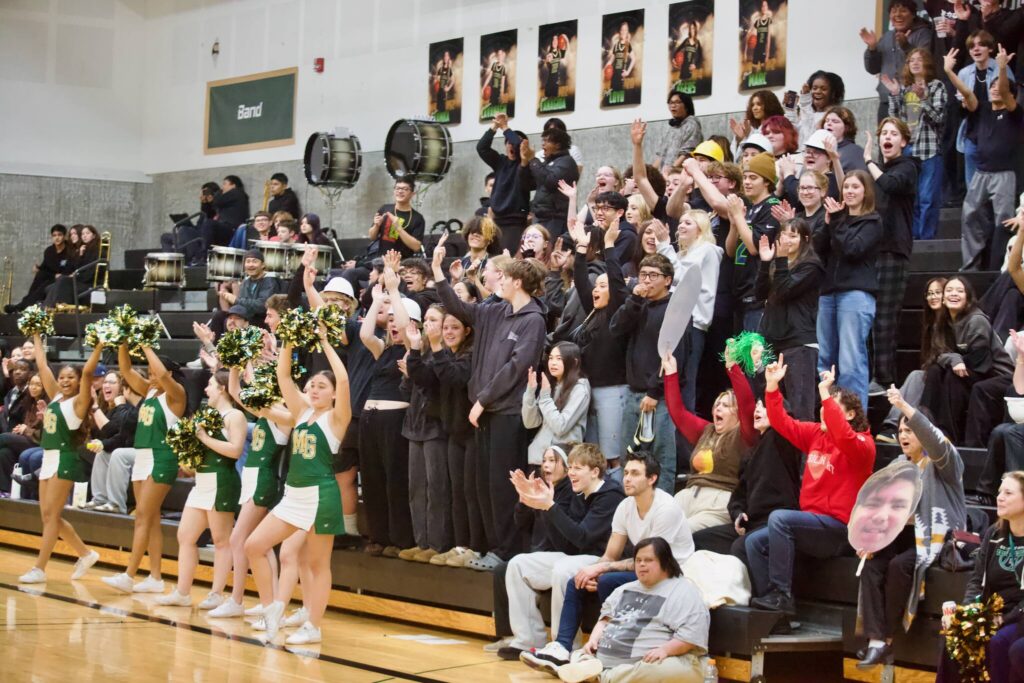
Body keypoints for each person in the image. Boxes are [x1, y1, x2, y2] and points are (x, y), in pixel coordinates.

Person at [521, 451, 694, 670]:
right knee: (577, 580)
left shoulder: (665, 509)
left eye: (635, 474)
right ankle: (562, 648)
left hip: (669, 572)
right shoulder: (625, 506)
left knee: (605, 581)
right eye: (626, 472)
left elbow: (652, 562)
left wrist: (602, 570)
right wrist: (593, 571)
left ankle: (608, 647)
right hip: (643, 568)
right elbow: (610, 555)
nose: (627, 478)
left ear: (652, 479)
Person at [434, 241, 547, 572]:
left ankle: (508, 551)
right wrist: (439, 274)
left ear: (517, 282)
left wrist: (482, 399)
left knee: (503, 486)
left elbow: (516, 368)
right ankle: (490, 547)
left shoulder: (533, 320)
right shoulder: (494, 310)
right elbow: (457, 306)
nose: (498, 280)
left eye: (505, 277)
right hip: (483, 413)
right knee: (481, 486)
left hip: (507, 414)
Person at [243, 324, 350, 645]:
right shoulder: (301, 412)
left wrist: (325, 343)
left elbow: (343, 379)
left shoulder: (336, 418)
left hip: (320, 496)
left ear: (332, 394)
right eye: (312, 385)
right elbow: (284, 377)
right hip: (292, 496)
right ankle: (271, 607)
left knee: (317, 564)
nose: (314, 390)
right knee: (254, 546)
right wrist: (288, 340)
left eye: (321, 386)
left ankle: (313, 626)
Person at [747, 360, 874, 619]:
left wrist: (825, 392)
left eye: (832, 409)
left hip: (839, 530)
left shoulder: (862, 445)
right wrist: (772, 387)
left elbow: (844, 436)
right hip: (812, 525)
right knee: (754, 542)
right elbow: (782, 423)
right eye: (822, 408)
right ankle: (776, 615)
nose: (823, 412)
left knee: (779, 519)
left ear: (849, 414)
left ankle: (782, 596)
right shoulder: (817, 434)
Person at [856, 387, 966, 669]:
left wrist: (905, 407)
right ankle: (876, 641)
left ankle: (888, 637)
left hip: (936, 538)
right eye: (901, 431)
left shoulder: (945, 461)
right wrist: (868, 538)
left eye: (910, 430)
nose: (903, 435)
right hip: (902, 536)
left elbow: (936, 440)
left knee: (899, 566)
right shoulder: (897, 464)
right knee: (870, 564)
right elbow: (879, 508)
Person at [499, 443, 625, 660]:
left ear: (595, 472)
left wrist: (550, 506)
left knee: (562, 568)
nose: (571, 473)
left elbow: (584, 538)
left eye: (577, 468)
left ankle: (563, 645)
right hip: (577, 556)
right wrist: (541, 505)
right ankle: (528, 639)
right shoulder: (579, 494)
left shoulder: (610, 496)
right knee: (518, 564)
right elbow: (565, 544)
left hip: (602, 559)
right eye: (571, 467)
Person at [535, 537, 711, 683]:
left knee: (664, 670)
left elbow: (690, 636)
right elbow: (605, 620)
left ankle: (598, 675)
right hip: (607, 660)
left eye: (648, 560)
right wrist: (593, 640)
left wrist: (664, 650)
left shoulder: (684, 592)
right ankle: (590, 668)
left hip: (648, 663)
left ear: (665, 563)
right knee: (582, 653)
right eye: (638, 561)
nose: (641, 565)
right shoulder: (624, 589)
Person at [154, 371, 245, 609]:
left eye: (211, 385)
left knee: (221, 540)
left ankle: (216, 593)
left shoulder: (234, 416)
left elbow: (235, 450)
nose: (206, 390)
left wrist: (203, 437)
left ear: (223, 388)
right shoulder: (208, 415)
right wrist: (190, 461)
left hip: (222, 481)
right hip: (202, 482)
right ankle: (183, 592)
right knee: (185, 536)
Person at [17, 336, 102, 584]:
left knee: (52, 517)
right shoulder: (56, 397)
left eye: (70, 378)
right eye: (62, 377)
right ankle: (86, 554)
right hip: (49, 456)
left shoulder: (79, 401)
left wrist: (98, 346)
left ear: (78, 383)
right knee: (47, 516)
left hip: (65, 459)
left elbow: (87, 373)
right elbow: (42, 366)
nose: (64, 381)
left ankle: (39, 568)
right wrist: (36, 335)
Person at [209, 367, 292, 618]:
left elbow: (254, 398)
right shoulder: (265, 413)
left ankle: (237, 599)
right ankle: (272, 601)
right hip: (250, 479)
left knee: (238, 539)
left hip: (263, 481)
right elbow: (235, 391)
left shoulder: (283, 416)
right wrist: (235, 367)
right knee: (262, 546)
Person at [102, 346, 185, 593]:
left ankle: (129, 575)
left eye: (155, 373)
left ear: (167, 373)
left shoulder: (176, 395)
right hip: (142, 457)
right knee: (151, 519)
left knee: (141, 516)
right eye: (148, 373)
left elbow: (163, 374)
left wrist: (147, 345)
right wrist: (123, 342)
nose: (151, 377)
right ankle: (156, 578)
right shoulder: (149, 391)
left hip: (162, 458)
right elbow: (125, 369)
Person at [935, 471, 1024, 683]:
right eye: (1000, 491)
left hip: (1019, 615)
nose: (999, 497)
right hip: (992, 611)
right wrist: (964, 612)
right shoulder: (994, 534)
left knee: (999, 642)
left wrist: (1004, 618)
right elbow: (976, 580)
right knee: (953, 633)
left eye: (1008, 493)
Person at [691, 397, 802, 563]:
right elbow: (738, 496)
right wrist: (738, 514)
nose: (757, 409)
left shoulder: (785, 440)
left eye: (763, 407)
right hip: (750, 523)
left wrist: (772, 388)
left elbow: (785, 421)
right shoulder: (749, 454)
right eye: (757, 405)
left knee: (741, 547)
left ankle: (759, 590)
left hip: (774, 521)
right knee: (699, 539)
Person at [663, 350, 755, 532]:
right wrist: (671, 374)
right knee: (654, 528)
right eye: (716, 405)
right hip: (688, 495)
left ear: (737, 414)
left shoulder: (745, 435)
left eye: (726, 405)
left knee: (680, 533)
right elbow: (678, 412)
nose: (718, 408)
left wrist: (732, 367)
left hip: (718, 502)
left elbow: (746, 403)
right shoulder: (707, 430)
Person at [358, 277, 417, 557]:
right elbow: (365, 335)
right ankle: (378, 536)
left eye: (397, 319)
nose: (393, 324)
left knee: (395, 480)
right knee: (372, 480)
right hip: (370, 421)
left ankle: (400, 539)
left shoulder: (412, 349)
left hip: (394, 422)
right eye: (389, 319)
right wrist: (376, 298)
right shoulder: (383, 348)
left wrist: (394, 292)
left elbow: (406, 328)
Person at [565, 222, 630, 476]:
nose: (597, 289)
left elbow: (616, 280)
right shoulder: (593, 312)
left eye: (603, 286)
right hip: (589, 389)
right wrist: (581, 247)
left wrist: (610, 247)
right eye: (597, 286)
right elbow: (580, 278)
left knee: (612, 456)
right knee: (590, 454)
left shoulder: (617, 313)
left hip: (612, 390)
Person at [609, 254, 677, 493]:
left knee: (661, 459)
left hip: (659, 396)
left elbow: (675, 354)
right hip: (632, 391)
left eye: (653, 276)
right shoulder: (638, 303)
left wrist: (654, 390)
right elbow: (615, 329)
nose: (646, 280)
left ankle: (663, 515)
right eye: (643, 274)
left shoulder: (675, 308)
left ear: (667, 280)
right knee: (629, 457)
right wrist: (634, 299)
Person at [814, 171, 882, 410]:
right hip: (828, 293)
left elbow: (853, 249)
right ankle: (830, 414)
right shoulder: (837, 219)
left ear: (866, 192)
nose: (850, 191)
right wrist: (828, 222)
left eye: (855, 187)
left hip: (856, 294)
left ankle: (854, 420)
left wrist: (839, 221)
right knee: (825, 360)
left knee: (851, 360)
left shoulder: (872, 222)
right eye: (846, 187)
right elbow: (818, 248)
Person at [922, 276, 1014, 446]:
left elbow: (981, 361)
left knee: (954, 376)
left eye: (959, 290)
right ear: (943, 297)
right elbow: (936, 355)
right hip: (974, 371)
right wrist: (954, 358)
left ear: (968, 297)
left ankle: (952, 437)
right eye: (949, 290)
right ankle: (926, 427)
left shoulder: (976, 320)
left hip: (1000, 376)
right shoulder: (943, 322)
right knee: (935, 370)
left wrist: (953, 360)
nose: (953, 294)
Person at [398, 301, 453, 564]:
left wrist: (415, 359)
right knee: (415, 487)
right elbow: (406, 390)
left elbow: (431, 383)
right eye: (427, 320)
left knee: (436, 487)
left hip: (436, 427)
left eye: (434, 321)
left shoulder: (446, 354)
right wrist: (408, 374)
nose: (428, 325)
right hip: (414, 424)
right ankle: (421, 542)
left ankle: (437, 543)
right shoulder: (419, 353)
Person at [958, 45, 1021, 272]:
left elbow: (1004, 92)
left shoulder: (1016, 113)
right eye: (991, 86)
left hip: (1004, 174)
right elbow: (966, 94)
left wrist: (1002, 68)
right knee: (970, 215)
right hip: (981, 173)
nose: (995, 89)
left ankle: (999, 268)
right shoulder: (984, 110)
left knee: (1003, 221)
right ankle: (971, 267)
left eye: (999, 87)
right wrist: (948, 72)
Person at [755, 218, 824, 420]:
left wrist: (780, 260)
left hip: (798, 343)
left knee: (800, 410)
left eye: (792, 236)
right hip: (772, 341)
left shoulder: (812, 266)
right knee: (775, 407)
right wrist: (766, 261)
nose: (786, 240)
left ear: (805, 239)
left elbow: (784, 290)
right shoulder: (779, 263)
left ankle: (803, 452)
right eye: (783, 235)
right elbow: (760, 294)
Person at [876, 277, 952, 443]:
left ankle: (893, 425)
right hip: (935, 375)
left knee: (917, 376)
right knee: (917, 376)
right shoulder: (931, 324)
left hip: (951, 377)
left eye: (938, 292)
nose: (933, 297)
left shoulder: (953, 321)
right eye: (930, 293)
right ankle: (893, 426)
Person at [883, 47, 946, 241]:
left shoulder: (936, 86)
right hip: (908, 150)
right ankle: (912, 237)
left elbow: (939, 117)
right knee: (913, 198)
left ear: (927, 63)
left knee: (927, 198)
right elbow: (894, 121)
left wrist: (924, 99)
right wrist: (894, 95)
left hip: (928, 149)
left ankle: (925, 239)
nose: (915, 63)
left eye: (919, 59)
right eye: (911, 60)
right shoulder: (905, 89)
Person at [725, 151, 781, 333]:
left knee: (755, 358)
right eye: (745, 177)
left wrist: (739, 218)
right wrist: (734, 224)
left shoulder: (772, 206)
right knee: (739, 359)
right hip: (740, 293)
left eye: (753, 178)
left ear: (766, 181)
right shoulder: (749, 208)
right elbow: (731, 251)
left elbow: (755, 247)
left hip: (757, 295)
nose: (747, 182)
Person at [860, 0, 937, 121]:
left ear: (913, 15)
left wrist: (906, 46)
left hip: (913, 100)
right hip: (887, 101)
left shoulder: (923, 34)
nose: (898, 14)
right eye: (894, 11)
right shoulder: (887, 36)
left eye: (903, 10)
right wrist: (872, 48)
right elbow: (872, 69)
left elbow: (926, 63)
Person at [523, 342, 591, 470]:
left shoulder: (580, 388)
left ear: (574, 362)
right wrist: (530, 393)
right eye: (551, 358)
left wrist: (544, 397)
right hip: (538, 458)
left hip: (563, 462)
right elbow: (530, 423)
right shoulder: (551, 385)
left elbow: (561, 426)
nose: (553, 363)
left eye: (559, 359)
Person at [83, 373, 140, 512]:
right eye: (105, 382)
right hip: (121, 448)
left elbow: (115, 432)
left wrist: (95, 407)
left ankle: (116, 505)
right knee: (101, 453)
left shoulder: (130, 408)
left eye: (112, 382)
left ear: (123, 388)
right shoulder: (109, 407)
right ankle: (99, 499)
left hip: (137, 450)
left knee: (116, 454)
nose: (106, 385)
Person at [477, 113, 531, 253]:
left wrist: (505, 127)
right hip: (496, 220)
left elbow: (519, 144)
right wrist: (495, 126)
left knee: (508, 258)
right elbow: (481, 147)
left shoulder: (526, 164)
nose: (512, 146)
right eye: (508, 143)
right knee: (493, 258)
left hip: (515, 221)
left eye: (515, 144)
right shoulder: (500, 161)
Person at [521, 127, 580, 237]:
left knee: (548, 252)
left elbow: (550, 181)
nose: (543, 145)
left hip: (555, 219)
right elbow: (528, 185)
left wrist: (533, 160)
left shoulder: (567, 162)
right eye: (543, 141)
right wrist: (524, 164)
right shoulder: (548, 163)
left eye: (547, 141)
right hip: (541, 217)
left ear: (557, 145)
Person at [6, 224, 73, 314]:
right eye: (54, 235)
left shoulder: (69, 251)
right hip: (50, 276)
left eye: (59, 235)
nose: (57, 238)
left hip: (61, 279)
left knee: (42, 285)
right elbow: (45, 266)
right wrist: (38, 268)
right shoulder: (49, 251)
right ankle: (23, 305)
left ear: (64, 236)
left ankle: (22, 306)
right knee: (39, 277)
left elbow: (70, 269)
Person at [211, 249, 280, 334]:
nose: (251, 265)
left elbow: (262, 305)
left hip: (262, 319)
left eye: (254, 262)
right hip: (246, 317)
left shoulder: (270, 280)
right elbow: (241, 307)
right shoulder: (246, 281)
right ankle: (213, 346)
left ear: (263, 265)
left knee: (236, 321)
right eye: (248, 262)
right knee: (220, 316)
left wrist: (236, 300)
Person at [0, 371, 47, 496]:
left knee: (3, 438)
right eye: (31, 384)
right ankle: (6, 491)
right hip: (28, 439)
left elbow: (44, 433)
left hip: (40, 441)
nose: (33, 387)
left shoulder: (47, 404)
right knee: (5, 452)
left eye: (38, 384)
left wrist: (26, 430)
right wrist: (20, 429)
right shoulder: (29, 402)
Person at [366, 178, 425, 261]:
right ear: (394, 191)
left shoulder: (417, 218)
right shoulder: (385, 209)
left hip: (402, 263)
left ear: (412, 194)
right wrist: (376, 225)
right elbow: (372, 237)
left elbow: (416, 247)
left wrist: (399, 228)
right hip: (381, 261)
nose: (400, 191)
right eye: (397, 188)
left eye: (405, 189)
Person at [785, 70, 845, 148]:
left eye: (823, 89)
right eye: (814, 88)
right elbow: (794, 133)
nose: (817, 92)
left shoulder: (834, 117)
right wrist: (790, 110)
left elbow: (810, 135)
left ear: (833, 93)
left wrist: (805, 101)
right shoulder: (809, 113)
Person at [653, 92, 703, 175]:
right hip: (664, 175)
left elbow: (687, 153)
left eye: (677, 102)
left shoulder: (692, 124)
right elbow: (661, 155)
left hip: (679, 175)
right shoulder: (671, 127)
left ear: (686, 106)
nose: (673, 105)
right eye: (671, 103)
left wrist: (671, 171)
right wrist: (650, 173)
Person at [729, 90, 785, 159]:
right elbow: (739, 161)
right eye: (752, 105)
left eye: (759, 104)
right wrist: (742, 138)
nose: (754, 108)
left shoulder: (780, 127)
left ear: (769, 105)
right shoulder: (753, 130)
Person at [206, 175, 250, 251]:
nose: (223, 187)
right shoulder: (231, 198)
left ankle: (206, 254)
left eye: (225, 184)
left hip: (232, 227)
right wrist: (204, 203)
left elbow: (217, 201)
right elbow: (211, 211)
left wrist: (219, 191)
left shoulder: (237, 193)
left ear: (233, 185)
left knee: (209, 223)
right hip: (225, 226)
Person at [821, 106, 868, 173]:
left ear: (847, 128)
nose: (829, 123)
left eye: (835, 121)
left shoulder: (855, 152)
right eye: (827, 120)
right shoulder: (818, 149)